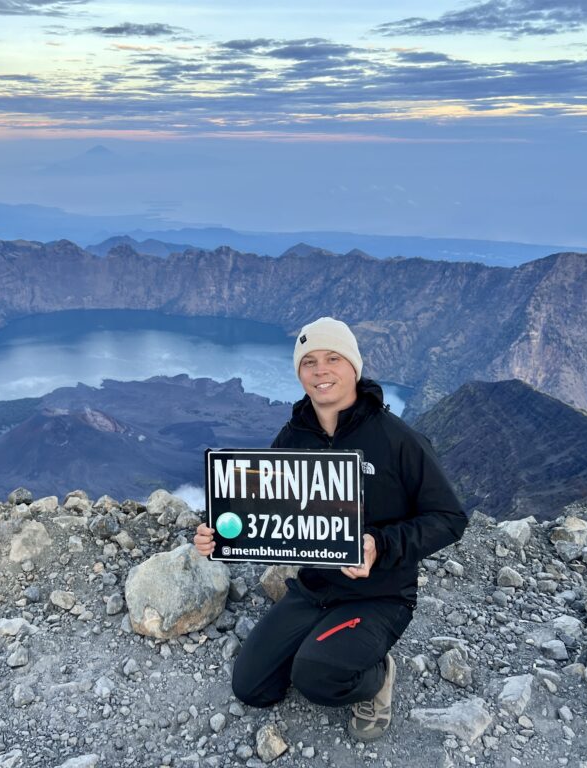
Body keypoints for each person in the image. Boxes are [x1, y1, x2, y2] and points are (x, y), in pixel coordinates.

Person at [194, 316, 468, 740]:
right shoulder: (292, 438)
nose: (320, 371)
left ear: (353, 367)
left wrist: (380, 545)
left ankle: (375, 677)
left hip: (380, 596)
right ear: (299, 372)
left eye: (333, 358)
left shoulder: (397, 440)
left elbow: (450, 518)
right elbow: (264, 511)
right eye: (309, 362)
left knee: (315, 676)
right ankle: (326, 650)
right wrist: (220, 534)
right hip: (315, 589)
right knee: (252, 687)